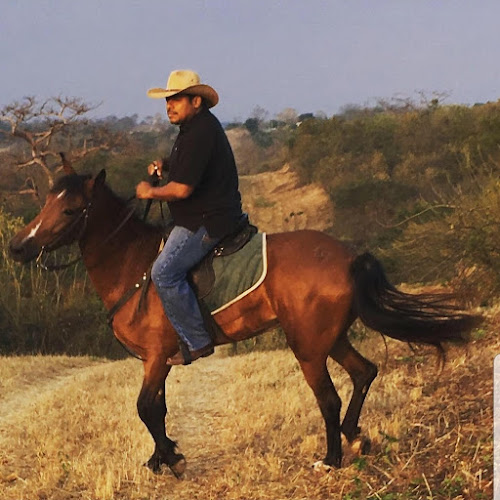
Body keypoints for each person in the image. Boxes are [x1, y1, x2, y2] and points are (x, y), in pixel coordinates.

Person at [136, 69, 243, 366]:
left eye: (176, 100)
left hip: (208, 220)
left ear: (196, 100)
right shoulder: (194, 129)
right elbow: (191, 166)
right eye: (167, 100)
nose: (169, 106)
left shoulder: (200, 133)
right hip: (203, 214)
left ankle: (197, 340)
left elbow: (182, 189)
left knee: (164, 273)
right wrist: (166, 164)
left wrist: (149, 192)